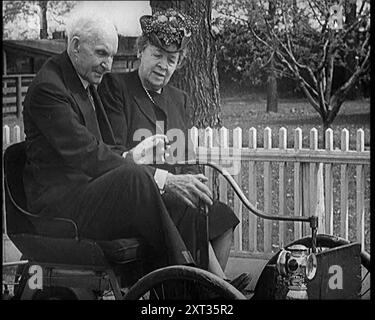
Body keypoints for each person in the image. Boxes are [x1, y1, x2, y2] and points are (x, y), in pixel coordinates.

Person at [21, 11, 210, 272]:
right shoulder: (50, 88)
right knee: (135, 178)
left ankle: (189, 284)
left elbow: (101, 148)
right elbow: (86, 154)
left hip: (86, 194)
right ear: (75, 46)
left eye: (111, 56)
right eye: (101, 53)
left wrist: (132, 157)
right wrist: (159, 177)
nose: (108, 65)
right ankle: (186, 274)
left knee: (182, 201)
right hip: (59, 210)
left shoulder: (83, 80)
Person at [98, 9, 250, 289]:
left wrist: (196, 181)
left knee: (222, 216)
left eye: (172, 60)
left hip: (175, 200)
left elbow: (187, 157)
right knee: (187, 209)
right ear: (140, 51)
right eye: (157, 55)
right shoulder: (116, 88)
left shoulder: (178, 99)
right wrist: (169, 184)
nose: (163, 66)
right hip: (136, 198)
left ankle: (204, 291)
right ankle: (220, 287)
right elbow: (115, 154)